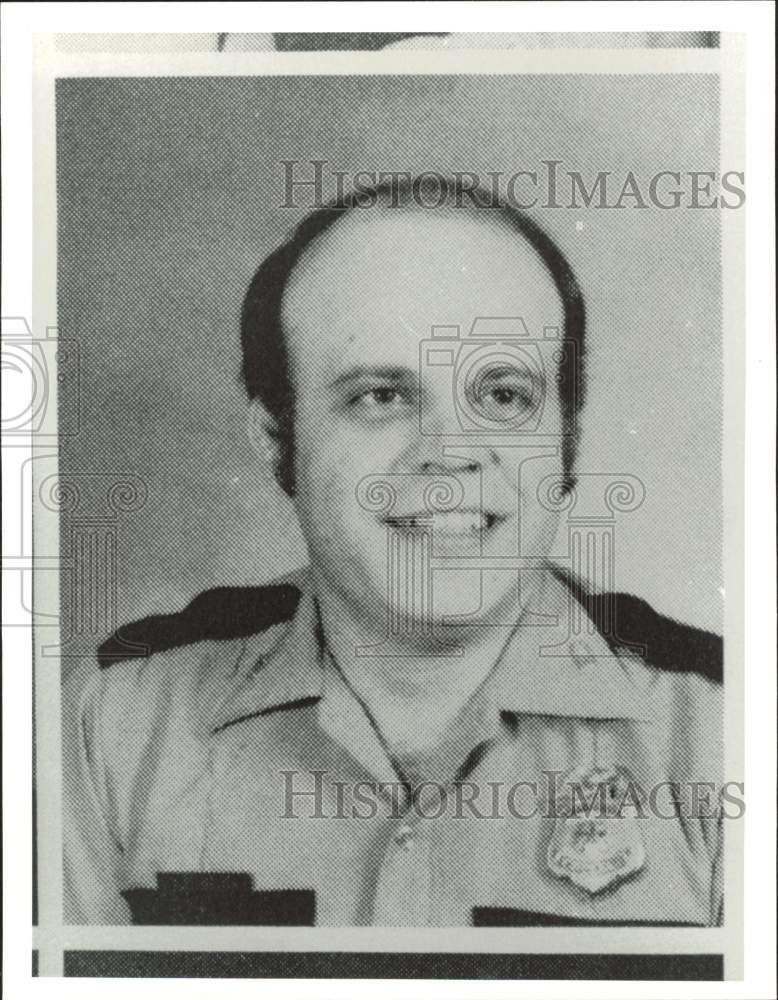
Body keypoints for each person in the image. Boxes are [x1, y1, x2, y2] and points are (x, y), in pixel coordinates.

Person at [64, 177, 723, 927]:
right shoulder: (113, 726)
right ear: (277, 440)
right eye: (381, 396)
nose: (449, 456)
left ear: (565, 437)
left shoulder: (726, 735)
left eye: (504, 396)